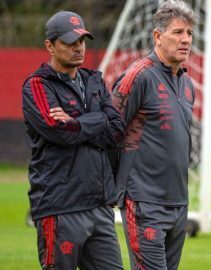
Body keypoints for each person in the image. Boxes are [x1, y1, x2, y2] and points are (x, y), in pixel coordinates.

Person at [22, 10, 125, 269]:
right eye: (69, 42)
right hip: (59, 207)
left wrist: (79, 122)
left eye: (81, 41)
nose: (78, 48)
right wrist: (99, 117)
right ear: (50, 46)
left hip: (100, 206)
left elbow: (117, 131)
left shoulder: (95, 81)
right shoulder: (37, 85)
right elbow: (60, 132)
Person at [111, 1, 197, 269]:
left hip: (178, 202)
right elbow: (109, 131)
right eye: (178, 32)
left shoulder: (187, 83)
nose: (186, 40)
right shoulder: (138, 75)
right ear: (157, 37)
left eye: (189, 33)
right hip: (143, 201)